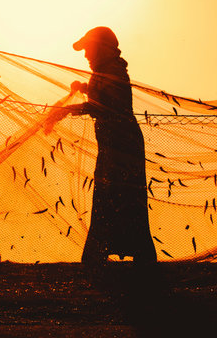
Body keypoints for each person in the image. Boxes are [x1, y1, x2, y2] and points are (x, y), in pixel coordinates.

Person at [43, 27, 157, 265]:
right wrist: (84, 88)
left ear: (102, 48)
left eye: (89, 49)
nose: (86, 55)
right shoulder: (106, 72)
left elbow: (108, 106)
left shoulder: (114, 70)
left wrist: (69, 110)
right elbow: (102, 95)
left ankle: (117, 252)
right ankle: (110, 249)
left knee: (121, 193)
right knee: (109, 193)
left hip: (123, 145)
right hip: (112, 143)